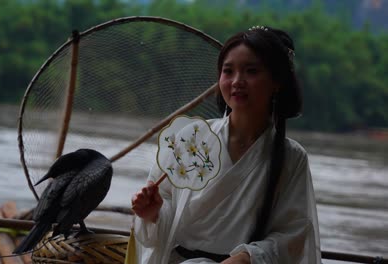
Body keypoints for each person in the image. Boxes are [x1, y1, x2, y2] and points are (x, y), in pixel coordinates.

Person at [131, 26, 321, 264]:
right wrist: (153, 214)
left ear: (277, 82)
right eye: (228, 71)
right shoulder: (192, 138)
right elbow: (166, 205)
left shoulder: (292, 158)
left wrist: (245, 258)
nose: (237, 81)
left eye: (251, 71)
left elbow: (292, 235)